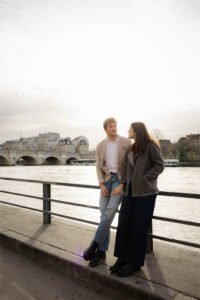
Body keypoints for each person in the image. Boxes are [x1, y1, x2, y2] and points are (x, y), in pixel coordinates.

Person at [109, 122, 164, 277]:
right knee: (124, 225)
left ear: (137, 131)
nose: (128, 130)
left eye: (130, 129)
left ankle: (134, 264)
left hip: (145, 194)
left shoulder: (151, 146)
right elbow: (126, 169)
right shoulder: (131, 148)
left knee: (138, 228)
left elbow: (160, 165)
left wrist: (146, 179)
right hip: (129, 193)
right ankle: (122, 259)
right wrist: (124, 183)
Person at [83, 117, 131, 267]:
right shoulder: (100, 146)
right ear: (105, 129)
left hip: (119, 181)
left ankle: (94, 245)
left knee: (109, 213)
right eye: (110, 126)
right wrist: (101, 183)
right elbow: (98, 166)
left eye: (115, 126)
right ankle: (101, 252)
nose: (113, 128)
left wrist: (123, 184)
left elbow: (131, 165)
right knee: (104, 215)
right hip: (106, 181)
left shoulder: (126, 142)